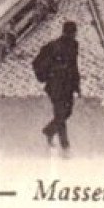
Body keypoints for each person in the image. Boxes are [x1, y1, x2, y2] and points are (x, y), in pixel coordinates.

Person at [35, 21, 82, 149]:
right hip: (56, 85)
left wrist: (77, 85)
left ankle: (49, 131)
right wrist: (47, 75)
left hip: (67, 85)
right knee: (60, 114)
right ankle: (64, 144)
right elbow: (37, 62)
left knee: (67, 112)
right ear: (71, 33)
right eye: (73, 33)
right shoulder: (54, 46)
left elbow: (74, 66)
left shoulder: (73, 45)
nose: (74, 35)